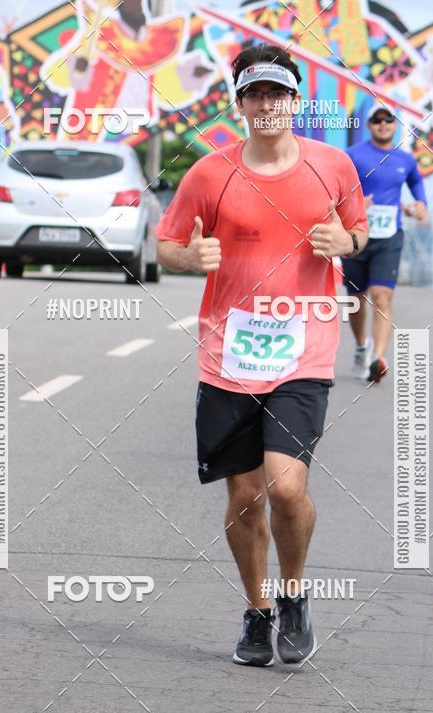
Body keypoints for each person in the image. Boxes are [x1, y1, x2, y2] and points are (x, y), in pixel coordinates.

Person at [155, 42, 368, 666]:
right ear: (241, 103)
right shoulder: (209, 173)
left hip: (305, 346)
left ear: (296, 102)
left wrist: (346, 241)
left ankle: (294, 593)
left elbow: (359, 230)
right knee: (244, 494)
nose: (268, 104)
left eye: (279, 93)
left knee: (285, 484)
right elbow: (167, 243)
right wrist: (189, 257)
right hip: (229, 353)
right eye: (256, 94)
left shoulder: (333, 166)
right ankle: (258, 610)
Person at [342, 103, 427, 383]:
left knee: (382, 295)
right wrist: (355, 201)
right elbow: (338, 188)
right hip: (356, 235)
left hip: (389, 236)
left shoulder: (405, 159)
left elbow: (417, 184)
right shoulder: (353, 155)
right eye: (377, 120)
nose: (383, 124)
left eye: (388, 119)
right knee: (356, 299)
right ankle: (361, 346)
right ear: (369, 126)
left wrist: (421, 204)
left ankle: (377, 358)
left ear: (394, 125)